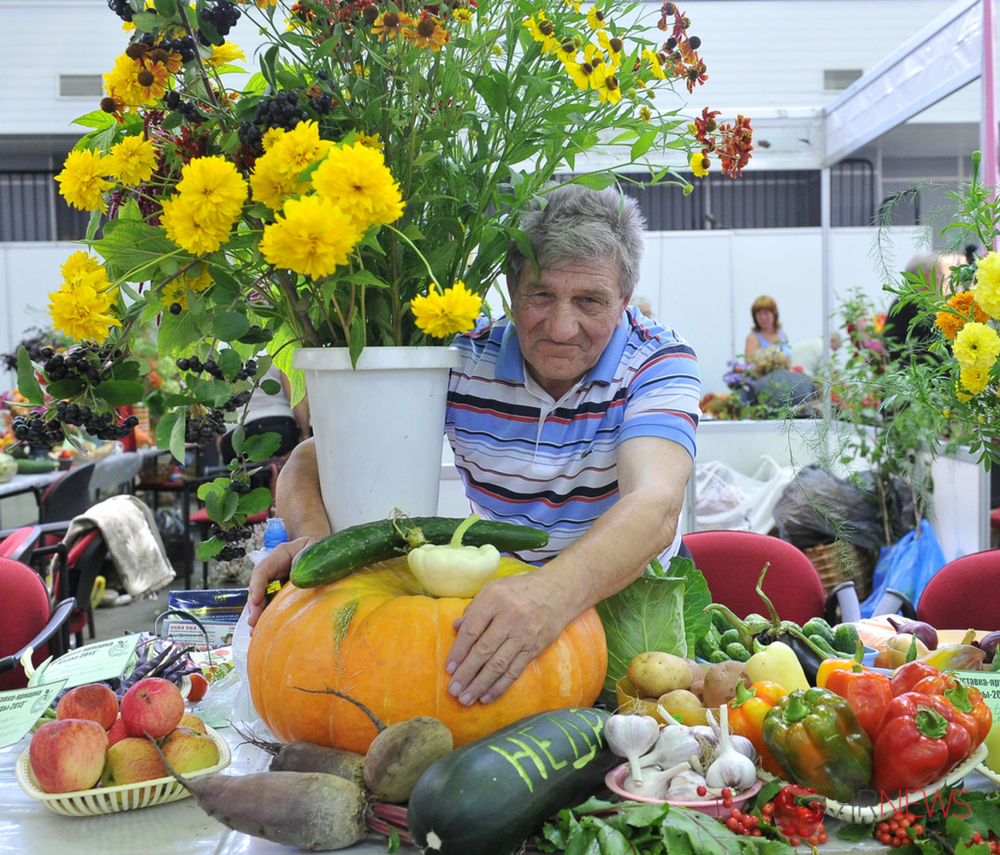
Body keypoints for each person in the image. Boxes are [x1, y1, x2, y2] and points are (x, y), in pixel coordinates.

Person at [247, 183, 701, 707]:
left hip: (635, 603)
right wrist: (314, 538)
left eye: (590, 302)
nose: (560, 327)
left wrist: (551, 595)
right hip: (502, 600)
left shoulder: (658, 362)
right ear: (510, 287)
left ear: (625, 297)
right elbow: (314, 457)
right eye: (540, 296)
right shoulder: (461, 359)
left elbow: (655, 503)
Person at [219, 364, 310, 463]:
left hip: (235, 436)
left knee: (242, 477)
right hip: (278, 426)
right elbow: (297, 398)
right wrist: (305, 434)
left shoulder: (220, 355)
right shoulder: (278, 352)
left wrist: (221, 438)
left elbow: (217, 405)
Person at [882, 253, 963, 363]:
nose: (942, 280)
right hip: (914, 370)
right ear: (927, 276)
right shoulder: (911, 303)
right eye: (940, 274)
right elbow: (939, 337)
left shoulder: (908, 299)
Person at [744, 295, 792, 359]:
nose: (763, 318)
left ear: (774, 314)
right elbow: (750, 365)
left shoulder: (782, 334)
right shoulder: (753, 338)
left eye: (766, 313)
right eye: (759, 314)